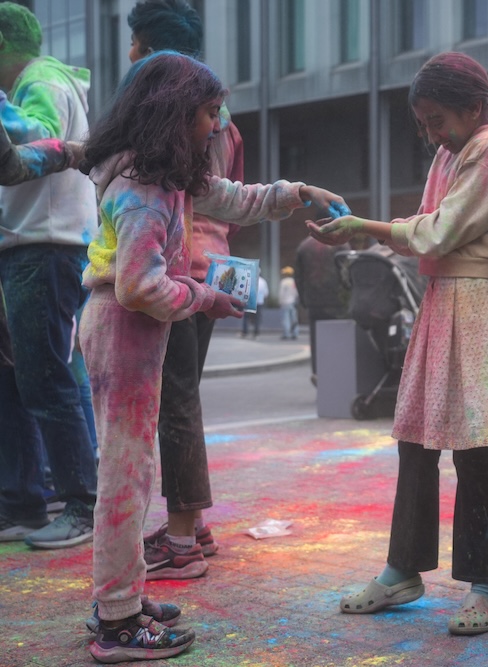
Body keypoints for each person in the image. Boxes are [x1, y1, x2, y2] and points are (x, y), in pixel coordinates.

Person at [79, 51, 344, 662]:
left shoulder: (166, 179)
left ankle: (121, 599)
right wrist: (206, 297)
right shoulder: (145, 193)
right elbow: (139, 287)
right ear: (174, 115)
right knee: (125, 478)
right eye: (207, 113)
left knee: (134, 471)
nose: (216, 125)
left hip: (132, 334)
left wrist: (295, 192)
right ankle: (118, 622)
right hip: (124, 331)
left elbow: (232, 196)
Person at [311, 51, 488, 636]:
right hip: (445, 299)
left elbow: (440, 229)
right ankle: (403, 569)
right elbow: (429, 227)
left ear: (473, 107)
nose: (430, 134)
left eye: (435, 120)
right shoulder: (456, 148)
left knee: (471, 446)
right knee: (415, 436)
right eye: (422, 123)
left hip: (476, 304)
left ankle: (485, 584)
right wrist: (375, 231)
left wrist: (364, 228)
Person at [125, 0, 248, 583]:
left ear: (156, 55)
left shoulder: (168, 121)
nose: (130, 56)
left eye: (139, 45)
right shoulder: (228, 121)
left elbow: (206, 196)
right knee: (183, 400)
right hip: (209, 270)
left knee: (174, 404)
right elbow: (235, 199)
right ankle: (190, 525)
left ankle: (181, 540)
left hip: (180, 276)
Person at [0, 2, 100, 550]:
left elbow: (36, 138)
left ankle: (80, 504)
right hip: (43, 243)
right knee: (46, 377)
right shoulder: (46, 80)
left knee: (45, 379)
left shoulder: (39, 81)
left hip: (43, 244)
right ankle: (55, 500)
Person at [295, 234, 362, 383]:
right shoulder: (341, 244)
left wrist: (304, 300)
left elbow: (298, 277)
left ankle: (318, 374)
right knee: (340, 341)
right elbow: (348, 275)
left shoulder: (304, 246)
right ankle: (339, 376)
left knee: (316, 340)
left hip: (314, 302)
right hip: (338, 303)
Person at [278, 265, 299, 339]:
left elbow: (281, 293)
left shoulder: (284, 282)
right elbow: (296, 292)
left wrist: (280, 301)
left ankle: (286, 334)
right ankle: (295, 333)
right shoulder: (294, 282)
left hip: (285, 302)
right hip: (293, 302)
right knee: (294, 318)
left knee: (286, 319)